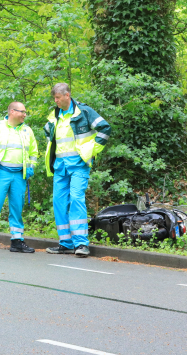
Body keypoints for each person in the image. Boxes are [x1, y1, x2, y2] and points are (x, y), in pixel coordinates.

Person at [44, 83, 111, 258]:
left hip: (78, 164)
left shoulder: (84, 112)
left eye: (58, 97)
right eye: (55, 98)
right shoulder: (55, 115)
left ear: (67, 95)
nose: (56, 101)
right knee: (58, 203)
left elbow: (105, 128)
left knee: (76, 199)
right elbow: (47, 132)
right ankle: (65, 243)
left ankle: (81, 243)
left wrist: (92, 150)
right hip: (60, 166)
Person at [0, 102, 39, 253]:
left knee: (17, 207)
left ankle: (17, 241)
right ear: (12, 111)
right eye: (22, 112)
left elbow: (33, 152)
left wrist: (30, 168)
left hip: (20, 174)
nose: (25, 114)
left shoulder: (27, 131)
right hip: (0, 173)